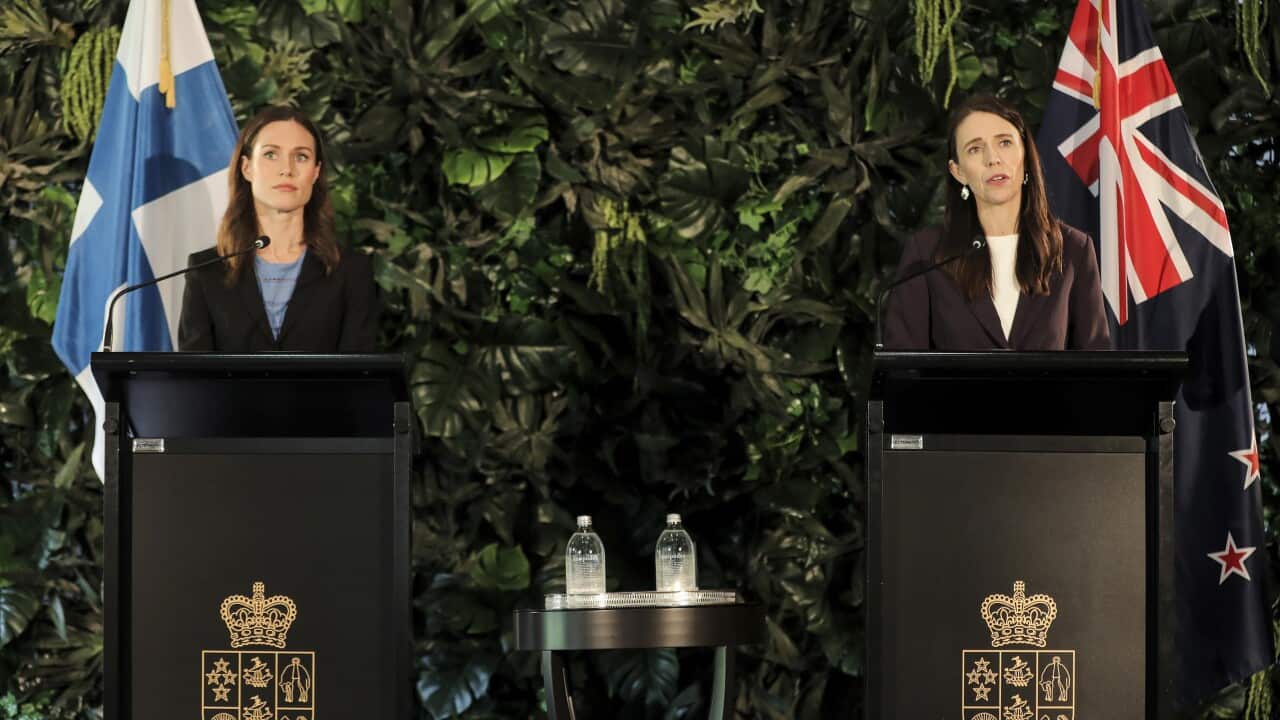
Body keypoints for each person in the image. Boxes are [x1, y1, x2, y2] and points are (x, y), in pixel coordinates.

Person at [882, 95, 1110, 350]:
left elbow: (1096, 368)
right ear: (958, 172)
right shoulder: (926, 254)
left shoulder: (1073, 249)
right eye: (975, 149)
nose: (993, 158)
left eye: (1004, 142)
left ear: (1025, 155)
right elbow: (903, 370)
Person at [179, 106, 377, 352]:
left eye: (301, 156)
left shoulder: (351, 272)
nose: (287, 169)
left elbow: (359, 381)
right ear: (246, 168)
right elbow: (192, 381)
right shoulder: (206, 271)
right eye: (271, 154)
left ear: (316, 172)